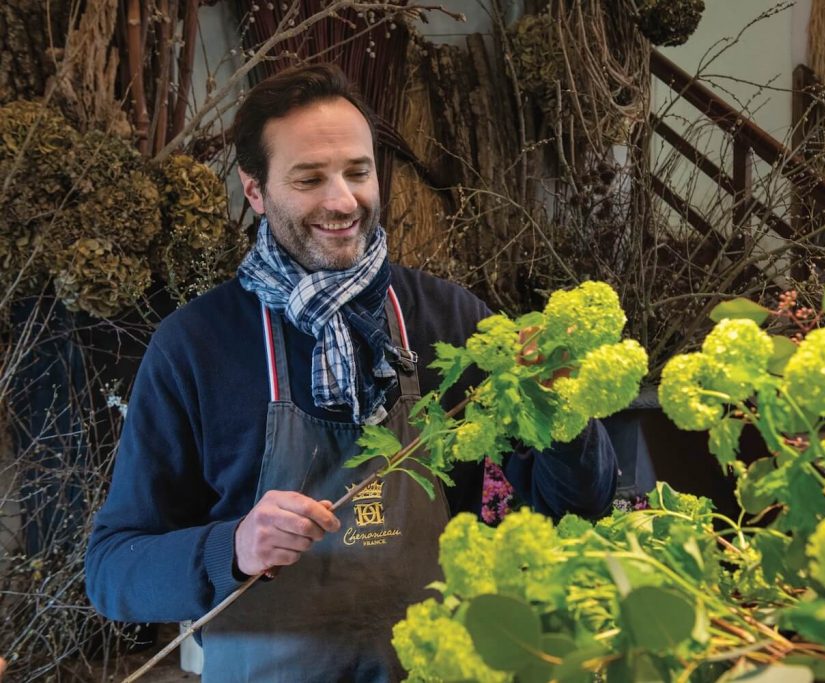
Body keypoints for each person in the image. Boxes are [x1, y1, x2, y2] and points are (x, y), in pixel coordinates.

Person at [85, 63, 617, 681]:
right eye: (309, 178)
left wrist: (564, 408)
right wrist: (231, 547)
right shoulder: (195, 347)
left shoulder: (448, 318)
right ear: (254, 190)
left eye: (358, 173)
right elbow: (113, 572)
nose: (342, 201)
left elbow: (577, 505)